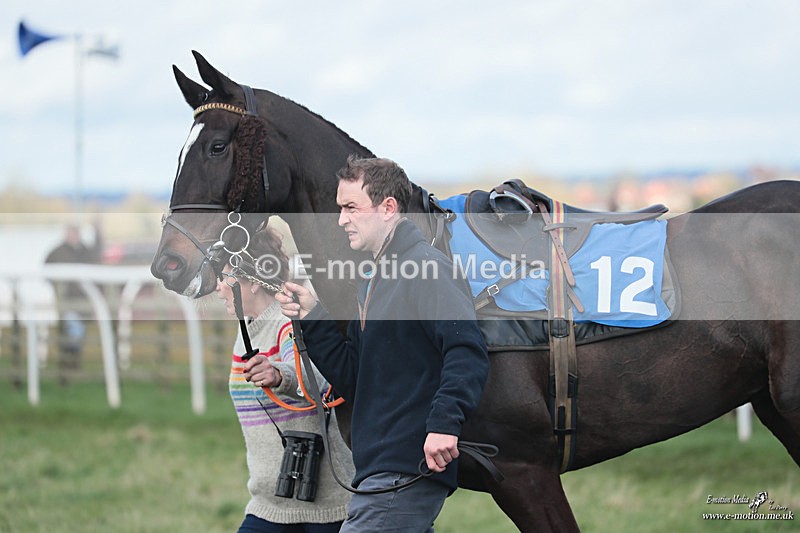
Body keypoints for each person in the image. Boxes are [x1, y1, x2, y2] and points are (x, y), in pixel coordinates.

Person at [276, 156, 489, 532]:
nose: (341, 219)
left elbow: (466, 351)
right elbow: (355, 376)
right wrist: (314, 316)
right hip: (377, 471)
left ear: (388, 207)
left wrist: (444, 424)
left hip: (405, 468)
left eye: (351, 207)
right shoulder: (373, 279)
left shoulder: (428, 268)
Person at [214, 226, 354, 533]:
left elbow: (314, 379)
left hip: (326, 508)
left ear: (251, 281)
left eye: (224, 277)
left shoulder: (287, 321)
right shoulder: (247, 331)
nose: (218, 286)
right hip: (270, 504)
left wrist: (279, 375)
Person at [44, 220, 103, 383]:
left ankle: (72, 364)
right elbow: (45, 271)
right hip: (66, 302)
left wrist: (98, 230)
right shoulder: (56, 252)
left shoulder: (85, 251)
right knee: (72, 329)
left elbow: (97, 260)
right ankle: (69, 365)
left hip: (84, 303)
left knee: (77, 332)